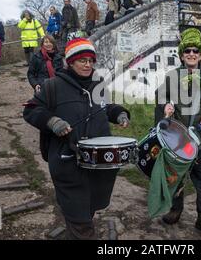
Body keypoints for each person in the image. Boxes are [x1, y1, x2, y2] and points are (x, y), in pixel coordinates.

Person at [23, 38, 131, 240]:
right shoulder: (53, 86)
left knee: (87, 211)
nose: (88, 64)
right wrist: (52, 121)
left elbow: (105, 107)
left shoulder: (97, 83)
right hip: (68, 163)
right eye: (82, 60)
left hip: (98, 165)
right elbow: (31, 110)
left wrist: (119, 114)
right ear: (70, 62)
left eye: (91, 60)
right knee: (81, 222)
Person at [155, 28, 201, 239]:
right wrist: (165, 110)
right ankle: (175, 210)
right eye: (187, 51)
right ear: (182, 55)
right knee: (175, 177)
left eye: (195, 51)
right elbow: (160, 99)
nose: (191, 54)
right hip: (178, 139)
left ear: (200, 55)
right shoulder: (171, 77)